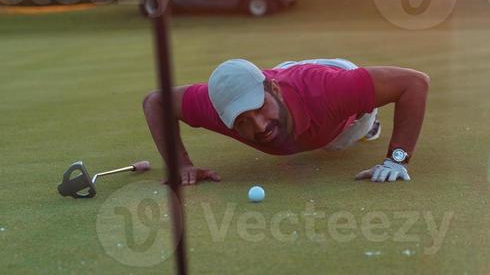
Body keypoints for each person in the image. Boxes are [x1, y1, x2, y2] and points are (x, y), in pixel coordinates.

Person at [138, 57, 430, 185]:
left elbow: (414, 83)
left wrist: (397, 159)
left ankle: (369, 119)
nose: (260, 127)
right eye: (242, 121)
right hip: (284, 78)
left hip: (333, 79)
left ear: (272, 91)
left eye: (259, 108)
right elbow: (155, 101)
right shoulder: (215, 107)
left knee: (338, 142)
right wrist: (181, 164)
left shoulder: (330, 91)